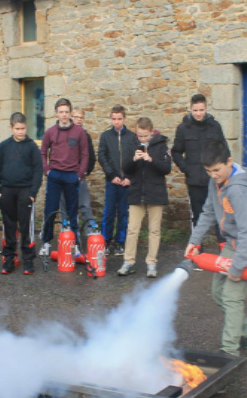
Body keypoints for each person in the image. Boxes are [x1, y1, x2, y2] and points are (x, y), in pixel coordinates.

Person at [184, 141, 247, 357]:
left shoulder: (239, 191)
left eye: (216, 170)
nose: (213, 175)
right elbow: (207, 212)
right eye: (208, 171)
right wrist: (194, 241)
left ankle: (229, 353)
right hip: (233, 242)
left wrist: (238, 267)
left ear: (229, 162)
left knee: (232, 296)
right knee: (218, 293)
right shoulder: (216, 183)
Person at [117, 117, 172, 278]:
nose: (142, 139)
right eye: (140, 135)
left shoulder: (161, 145)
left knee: (154, 230)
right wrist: (134, 159)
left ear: (152, 132)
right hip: (136, 192)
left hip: (155, 193)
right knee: (132, 229)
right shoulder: (132, 144)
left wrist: (151, 160)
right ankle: (128, 261)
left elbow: (166, 168)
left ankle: (151, 262)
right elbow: (125, 167)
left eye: (145, 136)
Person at [171, 94, 228, 246]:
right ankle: (197, 251)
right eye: (195, 110)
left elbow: (224, 149)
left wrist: (221, 172)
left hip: (214, 179)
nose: (198, 113)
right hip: (195, 180)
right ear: (190, 109)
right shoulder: (183, 128)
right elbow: (176, 152)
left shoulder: (215, 126)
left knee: (220, 215)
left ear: (206, 108)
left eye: (201, 110)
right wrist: (186, 169)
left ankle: (224, 253)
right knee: (197, 216)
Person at [0, 112, 43, 275]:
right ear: (11, 128)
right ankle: (9, 259)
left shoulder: (31, 147)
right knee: (8, 226)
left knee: (26, 227)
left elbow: (38, 170)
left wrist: (33, 192)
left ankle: (28, 260)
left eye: (23, 128)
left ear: (26, 127)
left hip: (25, 191)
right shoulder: (4, 146)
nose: (20, 132)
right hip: (7, 190)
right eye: (17, 129)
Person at [39, 98, 89, 255]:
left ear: (70, 113)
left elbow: (85, 154)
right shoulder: (50, 132)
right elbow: (42, 152)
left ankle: (73, 244)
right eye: (61, 112)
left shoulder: (79, 132)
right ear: (56, 113)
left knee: (72, 212)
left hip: (71, 176)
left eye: (66, 112)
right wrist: (47, 170)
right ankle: (46, 243)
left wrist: (79, 174)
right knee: (50, 210)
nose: (64, 115)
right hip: (55, 175)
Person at [97, 104, 135, 256]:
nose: (117, 122)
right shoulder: (106, 136)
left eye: (119, 119)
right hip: (111, 181)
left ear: (124, 118)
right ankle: (105, 241)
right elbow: (102, 156)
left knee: (123, 213)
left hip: (126, 183)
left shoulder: (132, 137)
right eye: (114, 119)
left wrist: (129, 177)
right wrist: (112, 175)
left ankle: (120, 242)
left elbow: (135, 159)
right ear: (111, 119)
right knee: (109, 212)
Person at [59, 107, 96, 239]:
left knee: (85, 204)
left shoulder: (86, 136)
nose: (78, 120)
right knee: (65, 205)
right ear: (70, 117)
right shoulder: (64, 133)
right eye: (76, 117)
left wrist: (85, 171)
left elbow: (91, 157)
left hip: (79, 176)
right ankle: (66, 232)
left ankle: (90, 233)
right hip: (64, 175)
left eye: (81, 117)